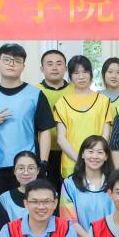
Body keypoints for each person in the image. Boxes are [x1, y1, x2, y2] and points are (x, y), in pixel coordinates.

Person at [0, 43, 56, 228]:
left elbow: (45, 131)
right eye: (7, 60)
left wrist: (42, 162)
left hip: (27, 168)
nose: (11, 64)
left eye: (17, 61)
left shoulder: (35, 95)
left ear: (23, 66)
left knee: (31, 213)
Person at [54, 55, 114, 178]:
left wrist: (94, 157)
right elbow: (61, 138)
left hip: (98, 163)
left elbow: (105, 136)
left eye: (85, 72)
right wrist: (80, 160)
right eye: (76, 73)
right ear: (70, 76)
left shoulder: (104, 101)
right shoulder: (62, 103)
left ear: (91, 74)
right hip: (71, 165)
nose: (81, 76)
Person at [60, 136, 116, 237]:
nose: (95, 156)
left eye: (100, 152)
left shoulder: (116, 184)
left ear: (106, 157)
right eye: (90, 151)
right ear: (82, 154)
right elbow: (70, 221)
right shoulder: (69, 184)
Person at [36, 49, 72, 188]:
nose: (55, 67)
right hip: (43, 153)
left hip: (70, 151)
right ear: (42, 68)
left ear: (66, 68)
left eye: (59, 63)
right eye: (50, 64)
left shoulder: (75, 91)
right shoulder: (34, 91)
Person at [0, 150, 43, 231]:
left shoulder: (50, 196)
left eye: (31, 168)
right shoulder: (5, 199)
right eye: (21, 168)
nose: (26, 172)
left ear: (38, 170)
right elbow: (1, 231)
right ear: (14, 171)